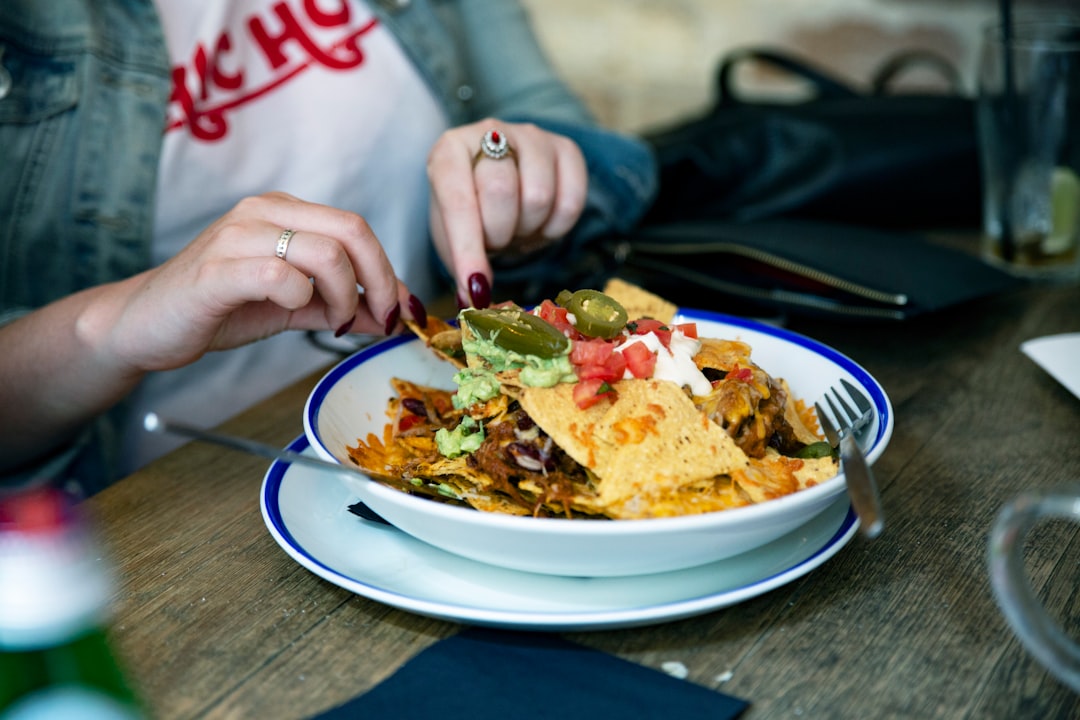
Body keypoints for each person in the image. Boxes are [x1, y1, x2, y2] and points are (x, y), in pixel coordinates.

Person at [0, 0, 657, 493]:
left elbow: (573, 138)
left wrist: (517, 189)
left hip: (447, 445)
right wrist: (106, 326)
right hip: (173, 504)